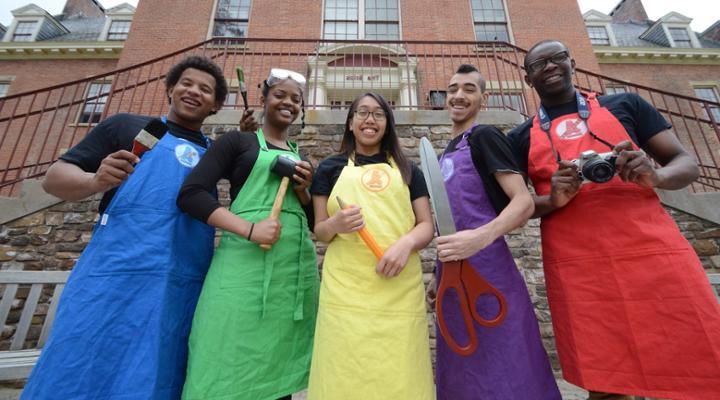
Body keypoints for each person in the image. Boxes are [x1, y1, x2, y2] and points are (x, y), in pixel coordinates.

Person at [507, 39, 720, 400]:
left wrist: (655, 175)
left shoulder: (625, 104)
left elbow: (686, 163)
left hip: (652, 250)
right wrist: (553, 198)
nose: (550, 67)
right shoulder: (519, 136)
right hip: (578, 267)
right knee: (606, 376)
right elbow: (516, 207)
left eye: (557, 57)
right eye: (538, 64)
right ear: (528, 79)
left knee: (694, 354)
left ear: (572, 61)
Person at [22, 56, 228, 399]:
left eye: (205, 90)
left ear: (217, 105)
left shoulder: (214, 154)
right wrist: (94, 180)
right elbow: (53, 179)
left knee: (156, 372)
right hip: (113, 275)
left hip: (180, 284)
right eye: (187, 83)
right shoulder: (126, 127)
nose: (193, 92)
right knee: (79, 362)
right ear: (170, 89)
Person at [177, 68, 319, 400]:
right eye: (280, 95)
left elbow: (313, 222)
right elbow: (191, 194)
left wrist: (304, 191)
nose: (288, 103)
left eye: (296, 99)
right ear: (264, 97)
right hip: (242, 269)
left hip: (291, 278)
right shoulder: (236, 142)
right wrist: (250, 229)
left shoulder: (303, 158)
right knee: (227, 353)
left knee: (277, 366)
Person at [431, 65, 561, 400]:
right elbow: (449, 220)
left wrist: (480, 237)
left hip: (489, 269)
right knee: (462, 362)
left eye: (469, 89)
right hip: (452, 274)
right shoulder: (445, 152)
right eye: (453, 88)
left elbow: (522, 203)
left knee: (507, 361)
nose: (459, 95)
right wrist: (437, 271)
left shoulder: (485, 137)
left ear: (483, 98)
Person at [306, 92, 435, 399]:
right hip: (346, 290)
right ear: (350, 123)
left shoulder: (409, 171)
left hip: (398, 288)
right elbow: (320, 230)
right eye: (362, 113)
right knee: (343, 368)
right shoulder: (329, 168)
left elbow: (426, 225)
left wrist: (405, 245)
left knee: (400, 371)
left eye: (378, 114)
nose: (370, 120)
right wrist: (336, 225)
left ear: (387, 124)